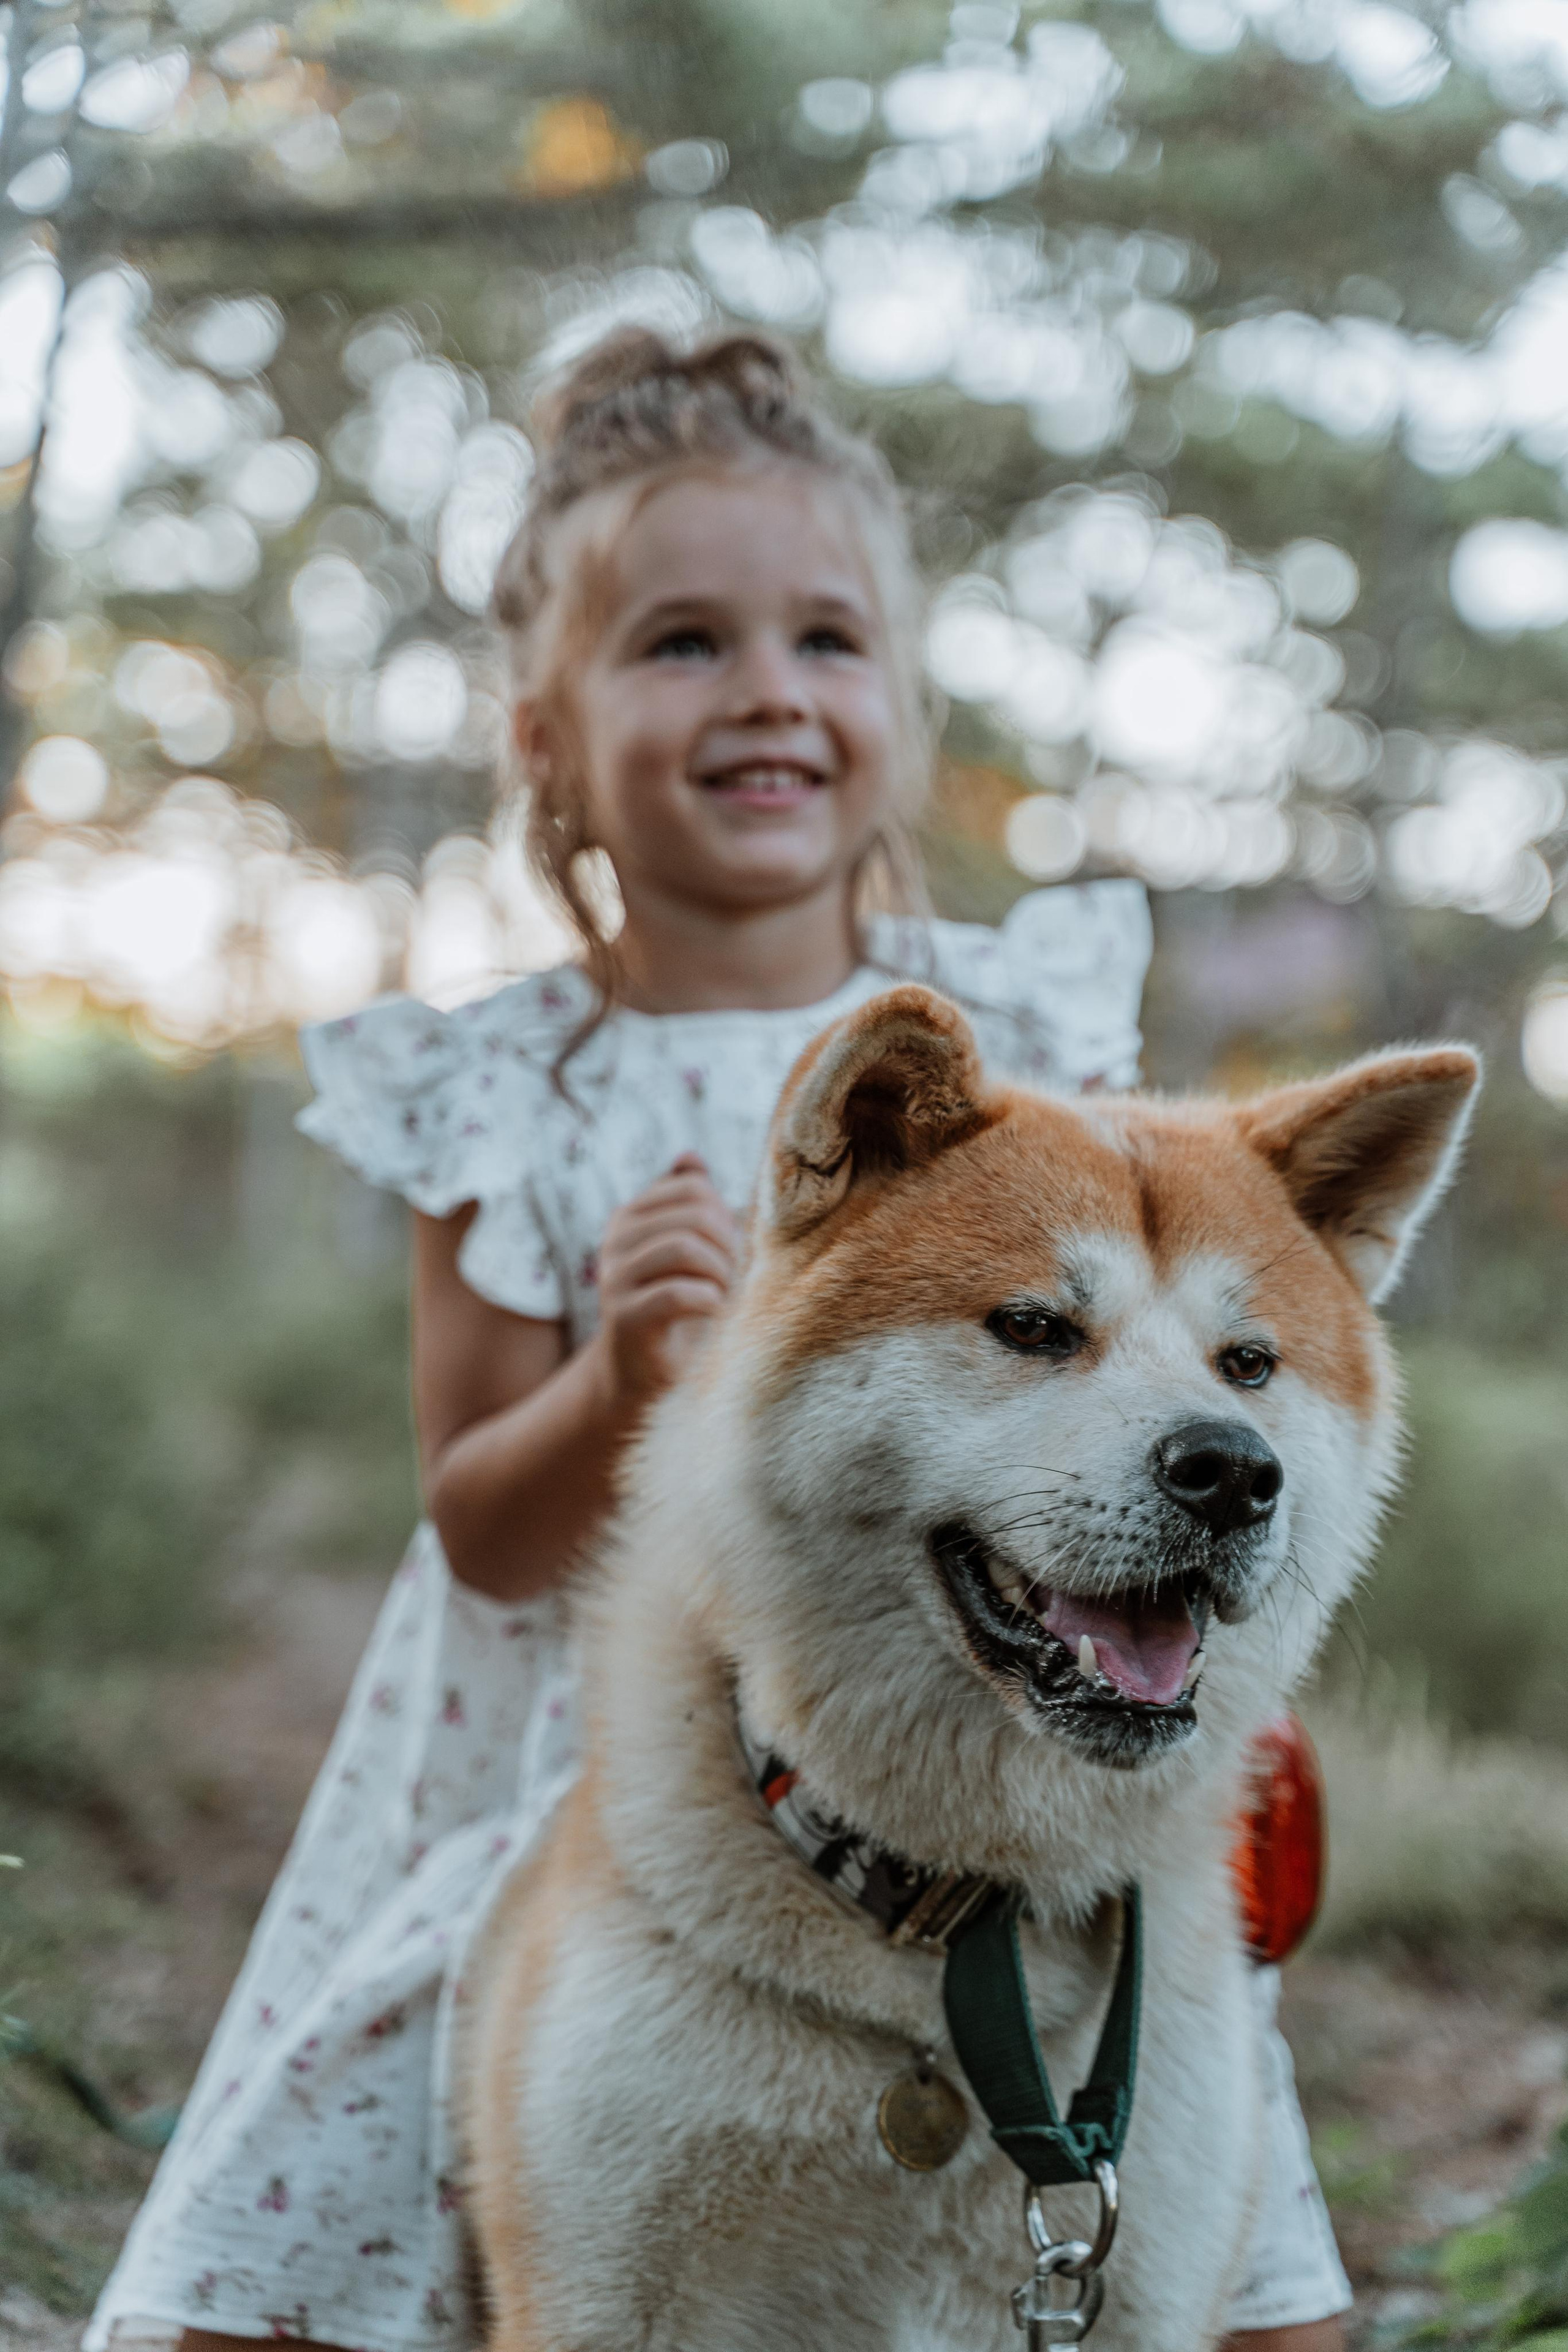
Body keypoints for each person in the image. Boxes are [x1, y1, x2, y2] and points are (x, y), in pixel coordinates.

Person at [86, 330, 1350, 2352]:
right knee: (375, 2208)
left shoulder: (1021, 1024)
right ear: (548, 736)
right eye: (683, 642)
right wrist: (613, 1384)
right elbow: (483, 1530)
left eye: (829, 640)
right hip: (589, 1759)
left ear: (904, 710)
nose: (770, 687)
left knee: (1248, 2255)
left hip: (1003, 1756)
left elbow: (1155, 1370)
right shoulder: (514, 1080)